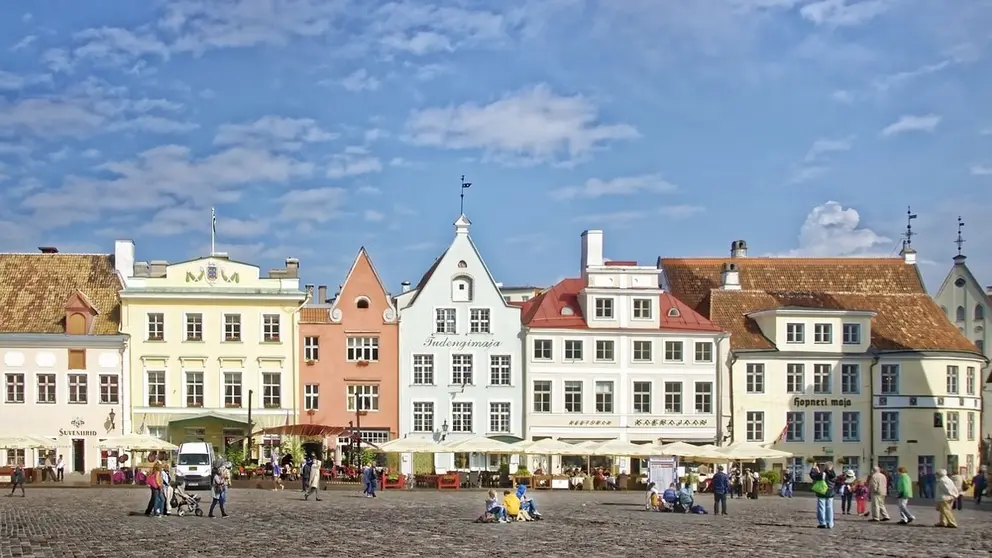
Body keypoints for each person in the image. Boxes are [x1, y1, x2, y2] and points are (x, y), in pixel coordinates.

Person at [809, 462, 836, 529]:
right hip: (830, 493)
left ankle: (822, 523)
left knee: (821, 508)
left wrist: (813, 468)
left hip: (822, 492)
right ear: (832, 467)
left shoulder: (822, 474)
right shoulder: (834, 475)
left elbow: (813, 476)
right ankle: (830, 523)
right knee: (829, 508)